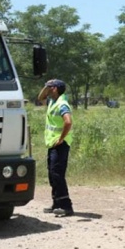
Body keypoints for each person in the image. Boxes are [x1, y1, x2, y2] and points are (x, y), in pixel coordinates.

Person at [37, 79, 74, 217]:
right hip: (52, 143)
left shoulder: (62, 104)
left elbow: (68, 122)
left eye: (50, 87)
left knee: (57, 174)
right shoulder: (53, 101)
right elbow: (40, 97)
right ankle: (56, 203)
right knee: (52, 174)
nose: (47, 89)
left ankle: (66, 206)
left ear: (55, 89)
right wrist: (46, 85)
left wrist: (61, 138)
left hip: (61, 144)